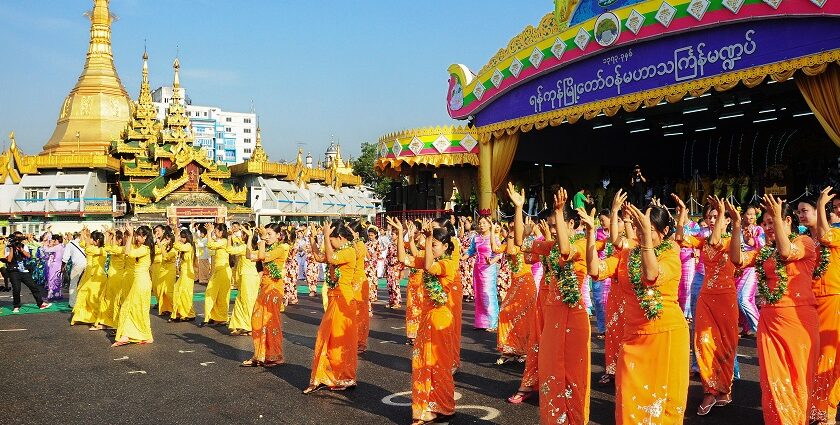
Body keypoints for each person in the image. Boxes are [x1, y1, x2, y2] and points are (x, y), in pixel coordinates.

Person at [589, 201, 689, 424]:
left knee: (664, 407)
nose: (642, 233)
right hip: (633, 336)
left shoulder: (670, 251)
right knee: (629, 403)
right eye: (639, 227)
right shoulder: (627, 253)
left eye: (650, 230)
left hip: (666, 335)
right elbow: (596, 270)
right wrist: (589, 235)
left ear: (664, 232)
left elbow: (651, 275)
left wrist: (645, 242)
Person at [728, 195, 818, 424]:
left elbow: (787, 253)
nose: (768, 227)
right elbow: (737, 259)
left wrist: (776, 217)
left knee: (797, 378)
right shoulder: (765, 252)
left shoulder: (804, 243)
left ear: (787, 220)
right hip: (769, 321)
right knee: (773, 380)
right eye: (765, 223)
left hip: (798, 321)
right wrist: (737, 225)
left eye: (773, 222)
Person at [389, 217, 457, 425]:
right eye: (431, 244)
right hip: (427, 318)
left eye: (435, 245)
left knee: (438, 363)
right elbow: (404, 258)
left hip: (441, 319)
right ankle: (429, 405)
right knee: (422, 362)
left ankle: (442, 406)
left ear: (445, 246)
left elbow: (428, 265)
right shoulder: (432, 259)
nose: (432, 247)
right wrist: (402, 234)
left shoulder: (447, 264)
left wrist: (426, 239)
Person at [675, 196, 739, 415]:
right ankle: (709, 390)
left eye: (717, 216)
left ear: (728, 221)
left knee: (726, 343)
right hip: (706, 298)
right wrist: (682, 213)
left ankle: (724, 387)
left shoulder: (733, 241)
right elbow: (680, 237)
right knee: (704, 342)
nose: (712, 220)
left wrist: (723, 215)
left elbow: (717, 243)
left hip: (727, 298)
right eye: (709, 217)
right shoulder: (702, 240)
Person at [304, 220, 358, 394]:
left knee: (340, 341)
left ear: (340, 238)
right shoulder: (338, 250)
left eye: (332, 239)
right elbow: (320, 257)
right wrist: (313, 239)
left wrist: (325, 236)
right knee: (327, 337)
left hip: (344, 300)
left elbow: (330, 258)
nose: (330, 243)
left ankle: (344, 376)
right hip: (335, 298)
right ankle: (327, 374)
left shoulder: (349, 251)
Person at [805, 188, 840, 423]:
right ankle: (817, 409)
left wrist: (820, 205)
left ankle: (825, 411)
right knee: (817, 356)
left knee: (828, 356)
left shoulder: (834, 235)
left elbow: (828, 237)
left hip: (832, 299)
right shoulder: (810, 240)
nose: (837, 211)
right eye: (834, 207)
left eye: (838, 208)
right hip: (813, 300)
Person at [495, 186, 538, 365]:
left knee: (526, 318)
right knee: (506, 313)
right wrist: (495, 231)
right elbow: (501, 249)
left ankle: (524, 350)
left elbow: (518, 247)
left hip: (526, 283)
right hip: (515, 283)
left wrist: (520, 232)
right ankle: (510, 349)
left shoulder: (529, 243)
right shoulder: (512, 242)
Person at [241, 223, 290, 368]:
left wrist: (261, 239)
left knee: (271, 322)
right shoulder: (267, 247)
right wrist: (250, 237)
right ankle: (259, 355)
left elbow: (262, 256)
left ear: (278, 236)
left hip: (274, 288)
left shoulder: (281, 249)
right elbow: (249, 255)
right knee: (257, 320)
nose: (267, 237)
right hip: (264, 287)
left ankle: (275, 356)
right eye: (265, 234)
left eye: (270, 234)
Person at [113, 226, 155, 347]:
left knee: (133, 307)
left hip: (142, 282)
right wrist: (125, 235)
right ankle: (143, 335)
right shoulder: (141, 247)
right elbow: (127, 249)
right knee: (136, 308)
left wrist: (130, 236)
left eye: (139, 235)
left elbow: (128, 252)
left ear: (145, 237)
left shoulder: (145, 248)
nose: (137, 237)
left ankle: (130, 335)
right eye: (136, 235)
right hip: (139, 281)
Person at [466, 215, 500, 331]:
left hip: (489, 269)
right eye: (480, 223)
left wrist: (491, 261)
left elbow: (498, 254)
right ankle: (481, 323)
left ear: (490, 224)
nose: (481, 225)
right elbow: (471, 251)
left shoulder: (495, 238)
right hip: (478, 268)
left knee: (488, 294)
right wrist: (463, 257)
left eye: (484, 223)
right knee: (479, 295)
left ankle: (493, 323)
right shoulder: (476, 238)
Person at [6, 232, 51, 313]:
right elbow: (9, 260)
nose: (19, 241)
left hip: (23, 270)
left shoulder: (23, 246)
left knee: (33, 286)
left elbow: (28, 256)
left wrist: (21, 250)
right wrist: (12, 249)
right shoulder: (8, 247)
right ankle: (16, 306)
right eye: (18, 239)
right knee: (16, 289)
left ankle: (40, 304)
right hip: (13, 271)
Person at [70, 229, 107, 326]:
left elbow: (87, 248)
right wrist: (83, 234)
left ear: (97, 241)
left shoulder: (101, 250)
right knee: (84, 294)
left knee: (92, 297)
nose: (89, 239)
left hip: (98, 276)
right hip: (89, 273)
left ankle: (98, 318)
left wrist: (86, 237)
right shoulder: (92, 247)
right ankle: (85, 317)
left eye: (92, 238)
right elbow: (83, 244)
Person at [736, 204, 764, 336]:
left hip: (752, 268)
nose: (752, 216)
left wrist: (752, 241)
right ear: (742, 215)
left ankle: (760, 327)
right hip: (738, 269)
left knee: (744, 299)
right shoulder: (737, 230)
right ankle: (745, 326)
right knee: (739, 298)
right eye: (749, 213)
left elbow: (763, 244)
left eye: (753, 214)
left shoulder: (758, 229)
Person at [228, 225, 259, 335]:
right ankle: (241, 325)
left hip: (248, 277)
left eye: (243, 234)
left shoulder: (245, 248)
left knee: (247, 302)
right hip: (247, 277)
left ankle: (249, 326)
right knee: (241, 301)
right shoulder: (246, 246)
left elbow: (229, 250)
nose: (241, 235)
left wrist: (229, 237)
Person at [203, 223, 232, 327]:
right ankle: (214, 316)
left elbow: (210, 245)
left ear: (221, 232)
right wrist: (209, 232)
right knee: (213, 293)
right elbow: (211, 244)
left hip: (223, 271)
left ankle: (222, 318)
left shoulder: (224, 241)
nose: (214, 232)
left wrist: (209, 232)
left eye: (216, 231)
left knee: (221, 295)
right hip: (218, 271)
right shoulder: (220, 241)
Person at [170, 228, 197, 322]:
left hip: (187, 273)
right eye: (181, 237)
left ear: (187, 238)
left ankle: (189, 314)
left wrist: (176, 235)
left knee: (184, 293)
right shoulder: (187, 245)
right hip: (184, 273)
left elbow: (177, 246)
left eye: (182, 237)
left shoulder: (188, 245)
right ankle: (180, 313)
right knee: (179, 292)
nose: (181, 239)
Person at [62, 231, 87, 308]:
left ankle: (72, 303)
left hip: (77, 265)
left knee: (73, 284)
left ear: (74, 237)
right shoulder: (86, 242)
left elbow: (65, 257)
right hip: (88, 264)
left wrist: (63, 267)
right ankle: (85, 302)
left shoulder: (70, 244)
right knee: (85, 284)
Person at [42, 234, 65, 301]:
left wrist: (45, 244)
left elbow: (46, 250)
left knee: (51, 279)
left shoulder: (57, 247)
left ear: (57, 240)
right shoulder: (63, 246)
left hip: (54, 265)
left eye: (54, 240)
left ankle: (50, 295)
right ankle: (57, 294)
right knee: (58, 279)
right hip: (60, 264)